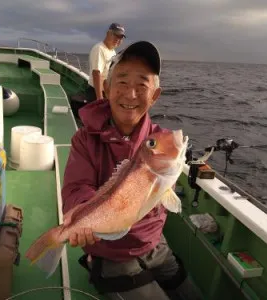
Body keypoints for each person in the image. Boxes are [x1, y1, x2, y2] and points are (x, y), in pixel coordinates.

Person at [61, 41, 202, 300]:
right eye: (123, 82)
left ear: (155, 95)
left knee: (190, 294)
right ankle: (97, 266)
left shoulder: (159, 138)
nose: (131, 94)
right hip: (110, 250)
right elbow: (76, 187)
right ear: (106, 87)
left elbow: (166, 189)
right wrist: (80, 213)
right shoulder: (84, 139)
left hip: (154, 244)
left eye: (142, 85)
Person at [86, 22, 126, 102]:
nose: (118, 39)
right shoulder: (99, 49)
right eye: (115, 35)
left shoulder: (112, 52)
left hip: (106, 93)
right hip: (96, 93)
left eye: (120, 37)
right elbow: (96, 73)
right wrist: (99, 98)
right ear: (108, 33)